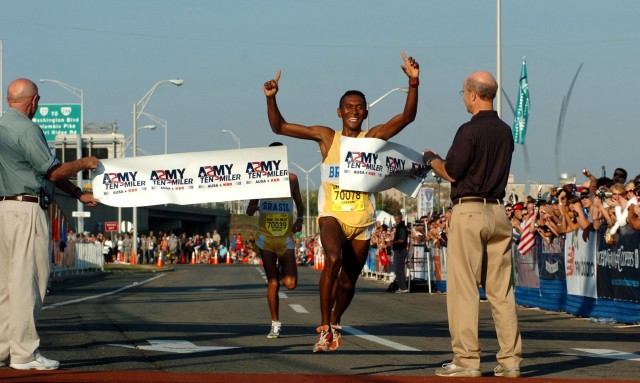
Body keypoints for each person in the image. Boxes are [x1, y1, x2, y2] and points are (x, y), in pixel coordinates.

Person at [263, 51, 419, 352]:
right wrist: (271, 98)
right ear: (339, 111)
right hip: (331, 215)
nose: (354, 111)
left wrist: (414, 83)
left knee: (348, 283)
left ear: (365, 112)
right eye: (348, 107)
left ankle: (336, 320)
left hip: (361, 221)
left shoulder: (371, 139)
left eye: (359, 108)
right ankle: (323, 327)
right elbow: (279, 127)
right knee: (333, 259)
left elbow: (407, 118)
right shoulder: (327, 137)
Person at [422, 71, 522, 377]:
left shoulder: (468, 130)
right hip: (498, 211)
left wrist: (432, 159)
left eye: (464, 92)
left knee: (464, 289)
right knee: (502, 292)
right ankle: (510, 361)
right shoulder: (506, 131)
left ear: (473, 95)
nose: (464, 97)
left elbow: (453, 172)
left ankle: (466, 360)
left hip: (470, 210)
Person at [0, 78, 99, 370]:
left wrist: (78, 193)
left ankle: (5, 349)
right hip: (26, 209)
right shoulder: (27, 129)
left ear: (9, 100)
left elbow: (45, 172)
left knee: (6, 286)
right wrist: (85, 163)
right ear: (34, 101)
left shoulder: (2, 126)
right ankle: (25, 353)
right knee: (28, 283)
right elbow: (52, 172)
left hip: (4, 208)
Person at [246, 142, 304, 339]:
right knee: (273, 283)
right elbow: (249, 208)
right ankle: (275, 324)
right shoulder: (260, 180)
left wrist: (300, 220)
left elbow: (300, 205)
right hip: (266, 239)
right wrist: (252, 209)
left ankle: (282, 269)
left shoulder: (292, 179)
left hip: (285, 238)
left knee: (290, 284)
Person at [391, 211, 410, 293]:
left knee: (398, 269)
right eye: (395, 219)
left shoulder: (402, 227)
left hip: (400, 250)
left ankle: (403, 287)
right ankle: (401, 286)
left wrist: (392, 242)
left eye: (397, 219)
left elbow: (401, 240)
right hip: (398, 250)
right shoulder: (399, 226)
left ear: (400, 218)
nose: (396, 220)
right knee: (398, 269)